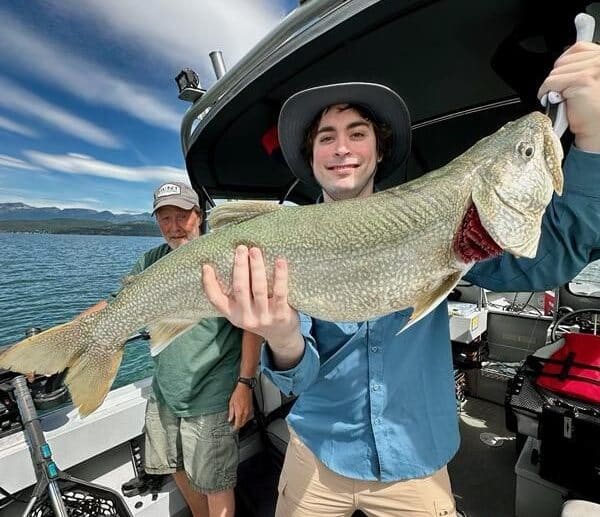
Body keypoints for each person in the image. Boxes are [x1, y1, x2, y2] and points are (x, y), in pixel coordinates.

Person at [202, 41, 600, 516]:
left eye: (357, 132)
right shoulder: (281, 243)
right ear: (312, 157)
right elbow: (296, 378)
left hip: (415, 457)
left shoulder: (453, 223)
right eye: (326, 137)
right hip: (317, 452)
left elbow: (551, 257)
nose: (342, 147)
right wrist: (281, 336)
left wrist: (592, 137)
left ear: (378, 146)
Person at [81, 182, 262, 517]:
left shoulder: (222, 257)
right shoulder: (152, 260)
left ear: (200, 216)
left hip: (212, 394)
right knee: (176, 468)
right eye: (165, 218)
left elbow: (252, 326)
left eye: (182, 216)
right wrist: (71, 336)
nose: (175, 226)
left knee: (216, 482)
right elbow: (116, 303)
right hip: (165, 392)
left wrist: (245, 384)